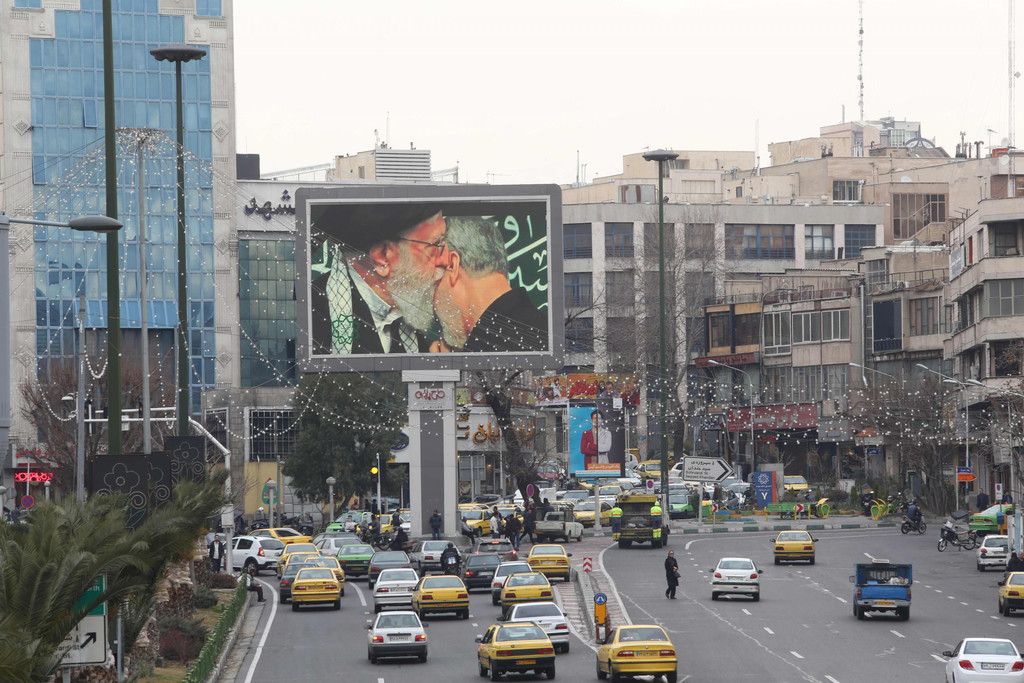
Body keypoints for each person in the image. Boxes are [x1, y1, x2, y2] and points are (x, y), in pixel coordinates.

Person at [311, 205, 446, 354]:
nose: (446, 260)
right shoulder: (314, 322)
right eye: (436, 244)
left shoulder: (415, 319)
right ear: (383, 256)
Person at [430, 215, 547, 353]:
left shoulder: (488, 348)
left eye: (434, 285)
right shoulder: (546, 331)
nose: (433, 302)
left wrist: (446, 366)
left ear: (452, 264)